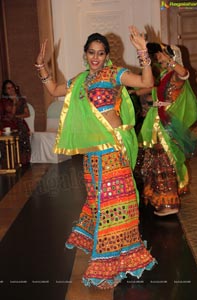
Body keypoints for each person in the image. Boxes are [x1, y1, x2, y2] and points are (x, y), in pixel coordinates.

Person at [35, 26, 157, 289]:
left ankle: (111, 260)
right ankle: (111, 253)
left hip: (113, 151)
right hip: (93, 157)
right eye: (91, 52)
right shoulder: (80, 81)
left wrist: (142, 52)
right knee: (100, 203)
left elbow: (147, 84)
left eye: (101, 53)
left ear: (107, 56)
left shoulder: (115, 74)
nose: (96, 57)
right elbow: (55, 90)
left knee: (117, 204)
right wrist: (41, 67)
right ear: (85, 53)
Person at [134, 42, 197, 217]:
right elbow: (154, 88)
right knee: (157, 160)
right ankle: (162, 201)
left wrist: (170, 60)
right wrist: (137, 92)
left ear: (172, 56)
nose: (159, 58)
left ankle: (170, 205)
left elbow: (184, 73)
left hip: (167, 124)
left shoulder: (176, 74)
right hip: (158, 121)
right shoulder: (165, 74)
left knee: (165, 161)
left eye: (163, 54)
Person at [0, 80, 31, 165]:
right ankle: (10, 162)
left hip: (20, 123)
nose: (11, 90)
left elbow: (27, 114)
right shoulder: (3, 101)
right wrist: (14, 102)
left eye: (12, 87)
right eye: (8, 88)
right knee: (9, 140)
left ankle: (23, 162)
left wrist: (17, 117)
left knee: (22, 134)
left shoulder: (21, 99)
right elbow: (10, 115)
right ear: (5, 90)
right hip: (7, 125)